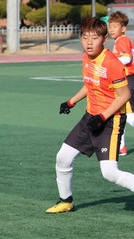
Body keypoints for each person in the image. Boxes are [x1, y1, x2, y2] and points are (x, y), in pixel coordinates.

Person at [46, 17, 134, 214]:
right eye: (85, 37)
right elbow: (89, 84)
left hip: (110, 121)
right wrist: (71, 101)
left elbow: (125, 95)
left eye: (94, 38)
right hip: (89, 118)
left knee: (110, 173)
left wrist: (103, 116)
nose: (89, 42)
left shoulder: (112, 63)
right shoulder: (87, 58)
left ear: (104, 40)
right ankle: (66, 201)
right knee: (63, 158)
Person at [108, 11, 134, 156]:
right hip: (125, 81)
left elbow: (127, 59)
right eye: (110, 26)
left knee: (128, 115)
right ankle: (121, 147)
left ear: (123, 28)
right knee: (119, 113)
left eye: (115, 26)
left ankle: (121, 146)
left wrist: (111, 64)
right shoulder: (120, 40)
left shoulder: (122, 40)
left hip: (127, 81)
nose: (111, 29)